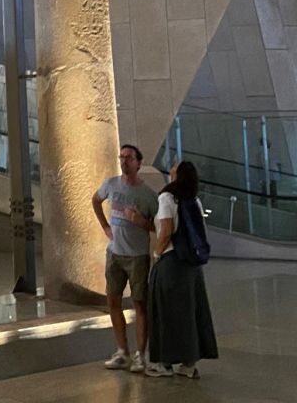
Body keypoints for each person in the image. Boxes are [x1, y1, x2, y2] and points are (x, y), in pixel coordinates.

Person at [145, 161, 218, 378]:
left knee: (165, 312)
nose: (170, 171)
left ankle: (164, 362)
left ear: (177, 176)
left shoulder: (167, 197)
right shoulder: (194, 199)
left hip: (171, 262)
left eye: (174, 170)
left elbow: (166, 229)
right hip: (191, 265)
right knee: (190, 313)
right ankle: (189, 363)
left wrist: (157, 253)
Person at [91, 143, 158, 373]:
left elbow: (158, 226)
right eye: (121, 157)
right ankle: (122, 351)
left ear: (138, 163)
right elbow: (95, 200)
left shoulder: (148, 196)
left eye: (129, 158)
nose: (124, 161)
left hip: (137, 256)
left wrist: (142, 222)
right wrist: (104, 226)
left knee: (139, 303)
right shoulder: (111, 184)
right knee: (113, 300)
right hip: (115, 253)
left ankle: (140, 354)